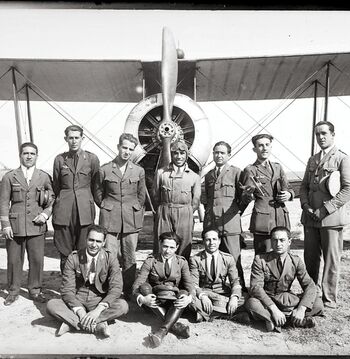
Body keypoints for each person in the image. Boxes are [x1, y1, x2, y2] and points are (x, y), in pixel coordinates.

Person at [300, 121, 350, 309]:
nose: (320, 137)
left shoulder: (342, 158)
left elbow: (347, 189)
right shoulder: (312, 159)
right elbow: (304, 186)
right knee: (310, 259)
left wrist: (325, 209)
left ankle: (329, 298)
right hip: (311, 217)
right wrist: (305, 205)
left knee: (331, 259)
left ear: (332, 134)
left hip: (330, 218)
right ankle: (311, 294)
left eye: (324, 133)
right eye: (317, 134)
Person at [46, 225, 128, 338]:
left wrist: (97, 310)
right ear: (86, 239)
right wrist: (80, 311)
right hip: (78, 297)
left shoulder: (110, 258)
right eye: (91, 240)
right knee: (52, 305)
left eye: (98, 241)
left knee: (122, 306)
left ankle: (73, 323)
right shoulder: (74, 257)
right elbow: (67, 290)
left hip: (99, 297)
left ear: (104, 243)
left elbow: (116, 287)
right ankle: (97, 325)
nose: (94, 245)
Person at [0, 142, 54, 305]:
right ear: (20, 156)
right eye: (25, 153)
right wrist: (6, 225)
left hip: (36, 225)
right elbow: (3, 202)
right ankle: (13, 291)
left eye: (32, 153)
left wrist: (45, 215)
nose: (29, 156)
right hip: (15, 227)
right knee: (14, 260)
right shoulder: (10, 176)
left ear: (37, 156)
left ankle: (35, 290)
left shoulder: (43, 176)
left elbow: (51, 199)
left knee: (37, 259)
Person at [95, 133, 146, 299]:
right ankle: (111, 290)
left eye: (131, 149)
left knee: (130, 257)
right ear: (118, 147)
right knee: (110, 255)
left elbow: (141, 195)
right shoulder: (105, 169)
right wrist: (105, 205)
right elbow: (97, 192)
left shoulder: (138, 170)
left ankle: (129, 290)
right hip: (110, 218)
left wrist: (135, 208)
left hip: (131, 218)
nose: (127, 152)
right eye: (124, 147)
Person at [245, 226, 323, 332]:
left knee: (318, 303)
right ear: (271, 241)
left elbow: (309, 285)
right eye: (275, 240)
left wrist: (301, 308)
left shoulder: (295, 261)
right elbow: (256, 287)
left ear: (289, 241)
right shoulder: (260, 260)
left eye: (282, 240)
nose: (278, 244)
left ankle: (274, 321)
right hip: (268, 300)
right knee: (251, 303)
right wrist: (274, 309)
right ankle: (291, 320)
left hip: (287, 300)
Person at [132, 232, 195, 348]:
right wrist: (143, 299)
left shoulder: (181, 262)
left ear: (176, 248)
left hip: (173, 301)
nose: (167, 251)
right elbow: (137, 285)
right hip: (154, 302)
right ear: (160, 244)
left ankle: (161, 332)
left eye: (172, 247)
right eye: (165, 246)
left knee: (184, 293)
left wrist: (189, 298)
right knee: (144, 288)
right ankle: (175, 326)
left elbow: (190, 285)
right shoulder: (151, 260)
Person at [52, 125, 100, 273]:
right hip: (64, 211)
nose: (74, 141)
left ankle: (82, 284)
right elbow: (56, 185)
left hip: (84, 210)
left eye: (77, 137)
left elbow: (95, 185)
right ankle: (66, 284)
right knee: (64, 251)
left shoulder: (91, 159)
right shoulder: (60, 159)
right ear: (66, 139)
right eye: (71, 138)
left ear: (82, 138)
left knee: (84, 249)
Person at [240, 133, 294, 254]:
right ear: (254, 149)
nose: (264, 148)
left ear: (271, 147)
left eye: (267, 145)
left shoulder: (278, 167)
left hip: (280, 217)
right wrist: (248, 195)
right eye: (260, 145)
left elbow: (289, 188)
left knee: (283, 255)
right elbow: (245, 197)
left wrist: (289, 195)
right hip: (263, 221)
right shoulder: (250, 170)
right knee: (263, 256)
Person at [203, 141, 246, 289]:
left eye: (222, 153)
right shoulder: (209, 176)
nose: (219, 155)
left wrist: (236, 212)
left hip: (230, 223)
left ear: (229, 155)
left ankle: (239, 289)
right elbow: (207, 200)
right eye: (216, 152)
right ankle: (216, 287)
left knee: (234, 258)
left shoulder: (236, 172)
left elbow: (244, 198)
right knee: (213, 257)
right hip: (212, 223)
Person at [153, 140, 201, 260]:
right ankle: (161, 273)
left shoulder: (194, 176)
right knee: (162, 242)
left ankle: (180, 273)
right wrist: (163, 210)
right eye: (175, 153)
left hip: (185, 212)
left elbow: (195, 201)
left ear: (186, 155)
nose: (179, 156)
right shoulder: (161, 173)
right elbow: (155, 196)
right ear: (171, 154)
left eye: (182, 153)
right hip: (165, 210)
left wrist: (186, 211)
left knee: (184, 243)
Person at [189, 229, 248, 323]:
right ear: (203, 241)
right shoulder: (195, 259)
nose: (211, 243)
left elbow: (235, 281)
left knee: (247, 299)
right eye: (208, 240)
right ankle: (229, 314)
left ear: (219, 241)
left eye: (214, 239)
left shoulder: (228, 258)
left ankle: (208, 314)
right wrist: (203, 296)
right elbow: (193, 283)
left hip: (223, 292)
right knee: (190, 299)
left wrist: (234, 298)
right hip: (206, 293)